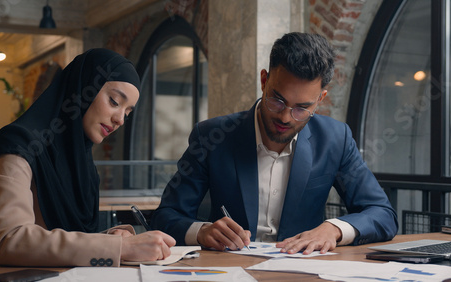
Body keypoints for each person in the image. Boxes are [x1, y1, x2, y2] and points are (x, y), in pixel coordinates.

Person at [151, 32, 398, 254]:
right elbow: (165, 216)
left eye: (302, 108)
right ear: (264, 81)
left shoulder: (335, 139)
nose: (285, 116)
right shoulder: (211, 137)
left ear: (320, 99)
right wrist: (202, 231)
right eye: (277, 100)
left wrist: (334, 229)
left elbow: (382, 213)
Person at [0, 48, 175, 267]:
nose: (120, 120)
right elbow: (11, 241)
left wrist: (113, 238)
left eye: (127, 113)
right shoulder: (18, 146)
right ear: (83, 89)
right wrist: (121, 248)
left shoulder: (83, 165)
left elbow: (63, 238)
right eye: (115, 102)